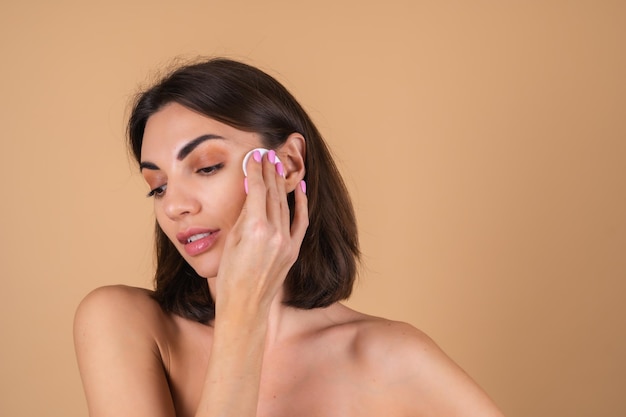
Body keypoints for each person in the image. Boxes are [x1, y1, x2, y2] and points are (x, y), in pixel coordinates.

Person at [74, 57, 504, 417]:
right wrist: (242, 315)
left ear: (289, 164)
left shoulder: (389, 358)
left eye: (206, 167)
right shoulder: (125, 323)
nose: (173, 206)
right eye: (158, 186)